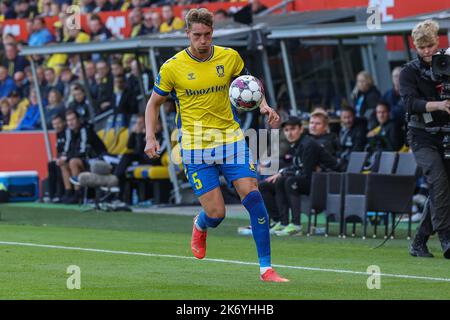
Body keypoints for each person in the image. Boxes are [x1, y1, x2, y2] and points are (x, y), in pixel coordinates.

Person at [144, 8, 288, 282]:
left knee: (254, 197)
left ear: (213, 33)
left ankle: (266, 269)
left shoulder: (229, 57)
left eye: (207, 35)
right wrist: (151, 137)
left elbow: (250, 86)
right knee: (217, 213)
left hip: (231, 139)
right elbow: (153, 104)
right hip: (195, 145)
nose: (202, 41)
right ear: (187, 34)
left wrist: (265, 106)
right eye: (197, 35)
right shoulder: (172, 67)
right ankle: (200, 224)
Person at [399, 19, 450, 259]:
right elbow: (409, 104)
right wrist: (439, 104)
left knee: (443, 187)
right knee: (439, 181)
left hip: (446, 132)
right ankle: (446, 237)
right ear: (415, 47)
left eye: (429, 45)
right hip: (421, 136)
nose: (427, 51)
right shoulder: (409, 71)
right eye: (421, 47)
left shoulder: (448, 63)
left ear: (437, 42)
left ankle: (419, 241)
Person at [265, 117, 340, 236]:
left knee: (289, 181)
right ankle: (281, 222)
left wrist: (284, 173)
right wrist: (283, 172)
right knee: (266, 185)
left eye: (293, 129)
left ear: (301, 129)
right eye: (287, 130)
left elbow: (306, 172)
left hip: (326, 181)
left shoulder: (308, 144)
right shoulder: (297, 144)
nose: (289, 133)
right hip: (312, 179)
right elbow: (296, 167)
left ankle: (296, 225)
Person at [57, 109, 106, 204]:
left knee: (73, 162)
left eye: (72, 119)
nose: (70, 123)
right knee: (63, 164)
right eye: (68, 120)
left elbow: (83, 151)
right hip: (82, 159)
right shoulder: (69, 131)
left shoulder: (85, 129)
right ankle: (68, 193)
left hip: (95, 159)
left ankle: (78, 193)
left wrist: (67, 157)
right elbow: (67, 149)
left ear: (78, 119)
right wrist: (63, 157)